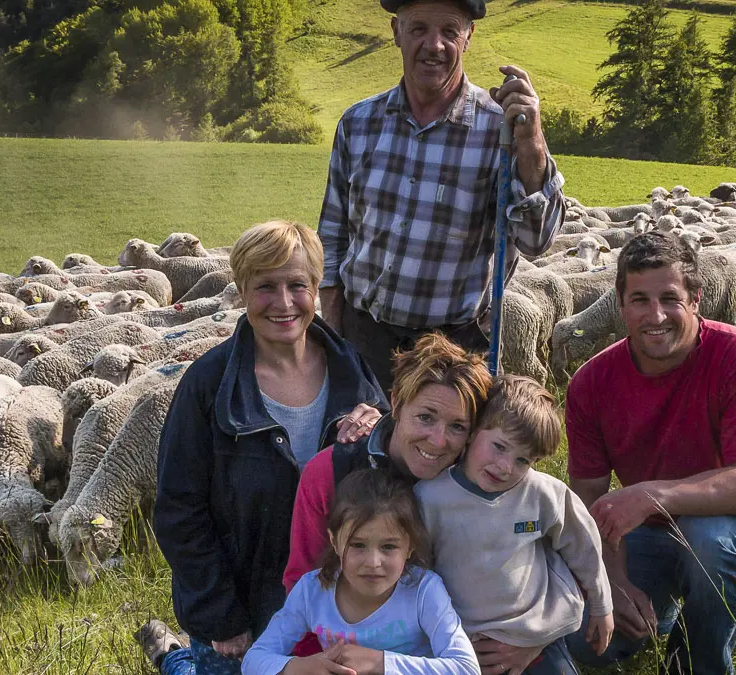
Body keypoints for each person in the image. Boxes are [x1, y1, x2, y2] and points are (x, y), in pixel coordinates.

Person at [135, 220, 390, 674]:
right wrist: (222, 615)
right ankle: (174, 658)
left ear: (316, 288)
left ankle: (169, 657)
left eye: (297, 285)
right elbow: (179, 510)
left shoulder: (353, 373)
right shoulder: (208, 388)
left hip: (336, 612)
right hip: (243, 616)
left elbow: (389, 488)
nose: (284, 302)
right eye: (265, 286)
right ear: (241, 290)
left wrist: (382, 431)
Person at [562, 231, 736, 675]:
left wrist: (653, 496)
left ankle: (695, 664)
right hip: (647, 533)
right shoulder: (591, 383)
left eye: (669, 298)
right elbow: (588, 499)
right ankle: (662, 611)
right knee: (584, 641)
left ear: (696, 299)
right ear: (620, 303)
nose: (655, 316)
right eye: (640, 300)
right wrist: (612, 578)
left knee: (708, 541)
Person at [317, 0, 567, 392]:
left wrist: (532, 144)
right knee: (355, 450)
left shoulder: (500, 131)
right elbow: (332, 234)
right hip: (363, 340)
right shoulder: (358, 123)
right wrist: (331, 333)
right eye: (419, 29)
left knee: (443, 454)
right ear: (396, 32)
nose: (434, 45)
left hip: (454, 352)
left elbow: (537, 241)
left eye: (449, 31)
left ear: (468, 37)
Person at [414, 374, 615, 675]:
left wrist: (601, 605)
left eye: (523, 460)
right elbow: (419, 571)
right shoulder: (431, 497)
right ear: (472, 433)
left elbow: (583, 545)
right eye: (499, 446)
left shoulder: (543, 494)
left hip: (536, 633)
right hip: (463, 639)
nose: (506, 467)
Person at [282, 331, 493, 593]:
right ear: (396, 404)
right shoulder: (330, 472)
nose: (438, 441)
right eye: (425, 417)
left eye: (458, 427)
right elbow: (303, 582)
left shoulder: (482, 478)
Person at [242, 468, 480, 675]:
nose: (373, 562)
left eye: (389, 547)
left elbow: (466, 668)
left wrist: (380, 662)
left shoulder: (423, 591)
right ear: (334, 542)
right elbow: (254, 660)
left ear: (410, 546)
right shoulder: (311, 590)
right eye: (357, 545)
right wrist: (297, 668)